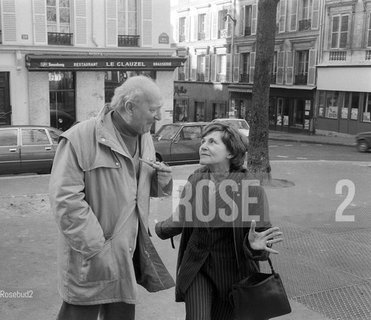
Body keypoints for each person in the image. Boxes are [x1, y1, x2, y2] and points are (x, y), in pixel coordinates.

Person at [50, 75, 175, 320]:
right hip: (92, 255)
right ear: (129, 107)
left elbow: (137, 191)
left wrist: (163, 180)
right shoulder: (79, 139)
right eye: (153, 110)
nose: (159, 117)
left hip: (126, 254)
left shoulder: (145, 137)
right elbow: (65, 201)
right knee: (79, 314)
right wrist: (98, 248)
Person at [155, 122, 283, 320]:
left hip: (233, 274)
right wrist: (157, 229)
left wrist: (256, 247)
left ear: (231, 152)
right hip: (197, 268)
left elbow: (263, 239)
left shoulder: (251, 188)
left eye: (212, 142)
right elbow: (182, 217)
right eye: (203, 141)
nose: (203, 146)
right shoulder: (196, 179)